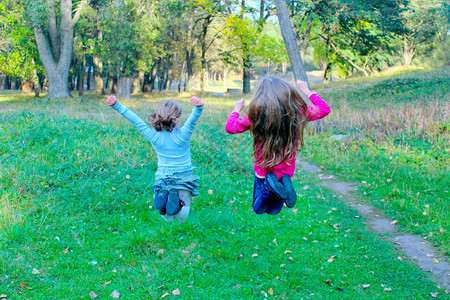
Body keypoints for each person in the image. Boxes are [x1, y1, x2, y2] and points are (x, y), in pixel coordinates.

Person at [225, 77, 330, 215]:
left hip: (264, 173)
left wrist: (236, 109)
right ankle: (283, 185)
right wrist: (306, 90)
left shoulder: (256, 115)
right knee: (274, 210)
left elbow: (230, 127)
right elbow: (324, 109)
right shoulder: (297, 112)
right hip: (285, 173)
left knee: (259, 209)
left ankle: (268, 188)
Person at [106, 95, 205, 222]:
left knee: (167, 219)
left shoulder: (153, 135)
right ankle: (178, 203)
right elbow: (193, 120)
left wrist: (116, 105)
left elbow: (135, 120)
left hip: (163, 177)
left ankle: (164, 202)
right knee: (182, 217)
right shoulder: (183, 135)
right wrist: (199, 107)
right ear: (178, 119)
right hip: (183, 177)